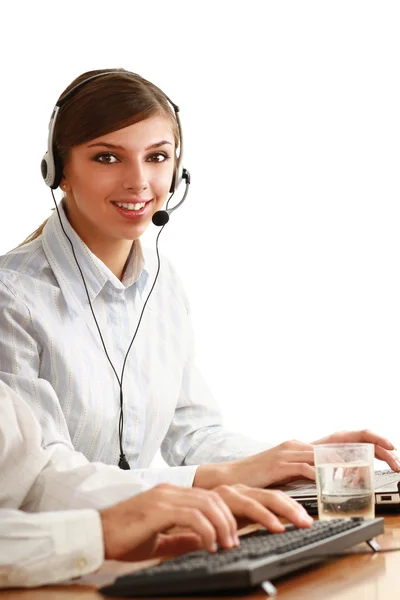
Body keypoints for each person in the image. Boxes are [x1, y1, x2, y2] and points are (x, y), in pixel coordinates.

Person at [0, 68, 398, 492]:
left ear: (176, 170)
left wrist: (296, 460)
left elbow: (193, 438)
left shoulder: (161, 283)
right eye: (107, 157)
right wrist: (224, 477)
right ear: (58, 170)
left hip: (139, 538)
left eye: (156, 157)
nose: (139, 181)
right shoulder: (13, 298)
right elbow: (42, 480)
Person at [0, 379, 313, 588]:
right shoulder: (14, 294)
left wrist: (174, 505)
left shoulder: (164, 289)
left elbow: (38, 475)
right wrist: (101, 530)